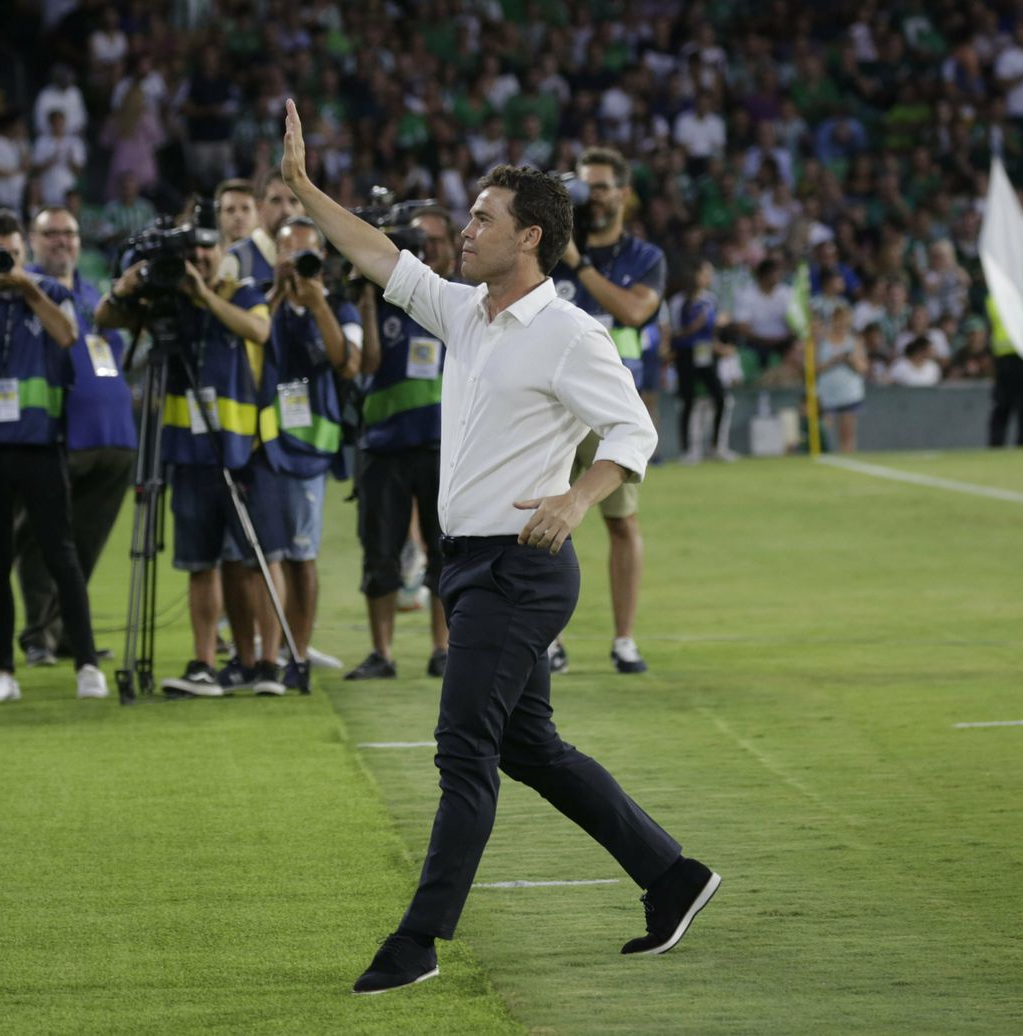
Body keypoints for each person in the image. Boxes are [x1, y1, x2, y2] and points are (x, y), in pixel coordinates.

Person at [278, 99, 718, 996]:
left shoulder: (569, 331)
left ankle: (417, 941)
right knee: (530, 749)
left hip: (520, 570)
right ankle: (672, 877)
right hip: (470, 564)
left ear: (529, 239)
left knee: (462, 752)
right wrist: (303, 187)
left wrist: (579, 496)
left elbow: (634, 431)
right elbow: (378, 254)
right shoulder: (466, 312)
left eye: (482, 218)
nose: (465, 230)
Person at [94, 204, 272, 696]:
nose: (199, 259)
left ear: (221, 252)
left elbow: (259, 330)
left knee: (247, 562)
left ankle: (257, 661)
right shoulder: (167, 302)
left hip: (236, 452)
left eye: (206, 250)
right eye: (191, 253)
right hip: (186, 452)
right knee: (199, 564)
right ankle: (203, 663)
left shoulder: (243, 291)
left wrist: (203, 296)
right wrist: (125, 288)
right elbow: (103, 317)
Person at [0, 208, 107, 702]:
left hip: (39, 446)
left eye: (12, 252)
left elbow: (68, 336)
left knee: (61, 557)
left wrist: (26, 286)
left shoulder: (47, 291)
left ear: (25, 251)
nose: (5, 261)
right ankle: (2, 671)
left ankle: (88, 665)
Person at [550, 146, 664, 676]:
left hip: (612, 411)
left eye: (600, 187)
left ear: (623, 193)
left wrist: (579, 264)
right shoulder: (550, 249)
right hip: (554, 409)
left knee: (621, 522)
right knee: (547, 520)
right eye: (584, 186)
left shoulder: (644, 257)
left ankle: (624, 641)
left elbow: (634, 310)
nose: (591, 196)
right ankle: (550, 641)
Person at [13, 207, 137, 667]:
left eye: (69, 233)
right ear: (32, 240)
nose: (62, 241)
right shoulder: (24, 289)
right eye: (51, 234)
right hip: (56, 433)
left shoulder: (95, 294)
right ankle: (37, 634)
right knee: (40, 539)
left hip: (114, 435)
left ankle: (69, 630)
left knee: (86, 542)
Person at [345, 207, 453, 681]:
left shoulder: (457, 300)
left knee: (446, 552)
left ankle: (443, 650)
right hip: (383, 444)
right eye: (416, 242)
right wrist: (367, 299)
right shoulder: (381, 297)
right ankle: (381, 653)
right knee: (380, 552)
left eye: (433, 242)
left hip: (440, 443)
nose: (425, 251)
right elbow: (367, 364)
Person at [256, 216, 361, 690]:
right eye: (288, 251)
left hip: (309, 452)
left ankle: (297, 652)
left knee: (301, 555)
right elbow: (252, 342)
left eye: (306, 252)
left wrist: (317, 304)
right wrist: (279, 293)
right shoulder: (263, 302)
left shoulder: (338, 306)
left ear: (321, 256)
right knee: (267, 554)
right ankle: (268, 651)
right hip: (263, 445)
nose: (297, 260)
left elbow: (346, 364)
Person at [670, 258, 730, 463]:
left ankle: (717, 446)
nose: (708, 278)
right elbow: (674, 333)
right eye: (705, 273)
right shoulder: (679, 301)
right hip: (686, 353)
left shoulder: (710, 299)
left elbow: (712, 331)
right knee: (688, 399)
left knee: (720, 397)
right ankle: (688, 450)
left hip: (706, 352)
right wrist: (693, 327)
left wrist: (719, 341)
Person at [218, 171, 304, 288]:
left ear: (305, 208)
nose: (286, 210)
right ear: (260, 208)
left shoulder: (314, 258)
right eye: (276, 200)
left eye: (294, 201)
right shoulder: (235, 259)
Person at [815, 300, 867, 453]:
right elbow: (813, 368)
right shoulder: (821, 341)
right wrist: (833, 361)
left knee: (848, 434)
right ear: (832, 320)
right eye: (839, 319)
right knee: (826, 433)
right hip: (827, 393)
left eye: (845, 319)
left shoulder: (854, 341)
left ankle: (849, 459)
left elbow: (862, 368)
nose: (842, 323)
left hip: (849, 392)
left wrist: (850, 360)